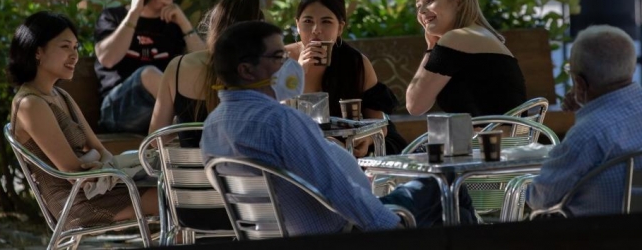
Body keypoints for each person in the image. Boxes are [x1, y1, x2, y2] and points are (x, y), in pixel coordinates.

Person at [201, 21, 476, 236]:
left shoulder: (213, 125)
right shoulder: (279, 120)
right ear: (247, 71)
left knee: (448, 215)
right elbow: (335, 189)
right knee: (447, 184)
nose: (288, 64)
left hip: (281, 235)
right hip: (341, 235)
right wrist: (391, 229)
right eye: (277, 57)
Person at [527, 25, 642, 217]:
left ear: (579, 83)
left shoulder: (588, 134)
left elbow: (540, 199)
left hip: (608, 238)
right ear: (631, 67)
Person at [8, 11, 158, 227]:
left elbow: (99, 148)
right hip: (75, 202)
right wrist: (105, 166)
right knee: (174, 199)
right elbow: (71, 171)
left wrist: (105, 163)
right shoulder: (30, 104)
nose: (74, 55)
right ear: (38, 51)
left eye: (76, 47)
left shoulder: (60, 95)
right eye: (65, 46)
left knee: (175, 189)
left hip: (98, 188)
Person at [286, 0, 407, 156]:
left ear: (340, 28)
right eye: (308, 21)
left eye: (326, 22)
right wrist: (298, 73)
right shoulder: (282, 60)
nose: (316, 30)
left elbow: (378, 121)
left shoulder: (355, 63)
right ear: (298, 25)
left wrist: (368, 140)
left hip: (352, 145)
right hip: (299, 145)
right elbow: (274, 113)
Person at [94, 0, 205, 134]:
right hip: (116, 111)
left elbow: (204, 65)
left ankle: (187, 127)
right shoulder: (113, 16)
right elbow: (107, 59)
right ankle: (195, 125)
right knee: (148, 74)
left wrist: (184, 24)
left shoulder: (173, 25)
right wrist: (134, 12)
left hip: (162, 114)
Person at [148, 0, 264, 134]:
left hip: (189, 158)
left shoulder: (177, 67)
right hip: (241, 158)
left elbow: (156, 139)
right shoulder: (264, 72)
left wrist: (183, 123)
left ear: (214, 23)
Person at [406, 0, 526, 117]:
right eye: (418, 6)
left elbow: (415, 105)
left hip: (489, 138)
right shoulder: (480, 34)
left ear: (459, 2)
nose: (421, 11)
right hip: (507, 137)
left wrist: (431, 47)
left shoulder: (457, 38)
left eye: (430, 0)